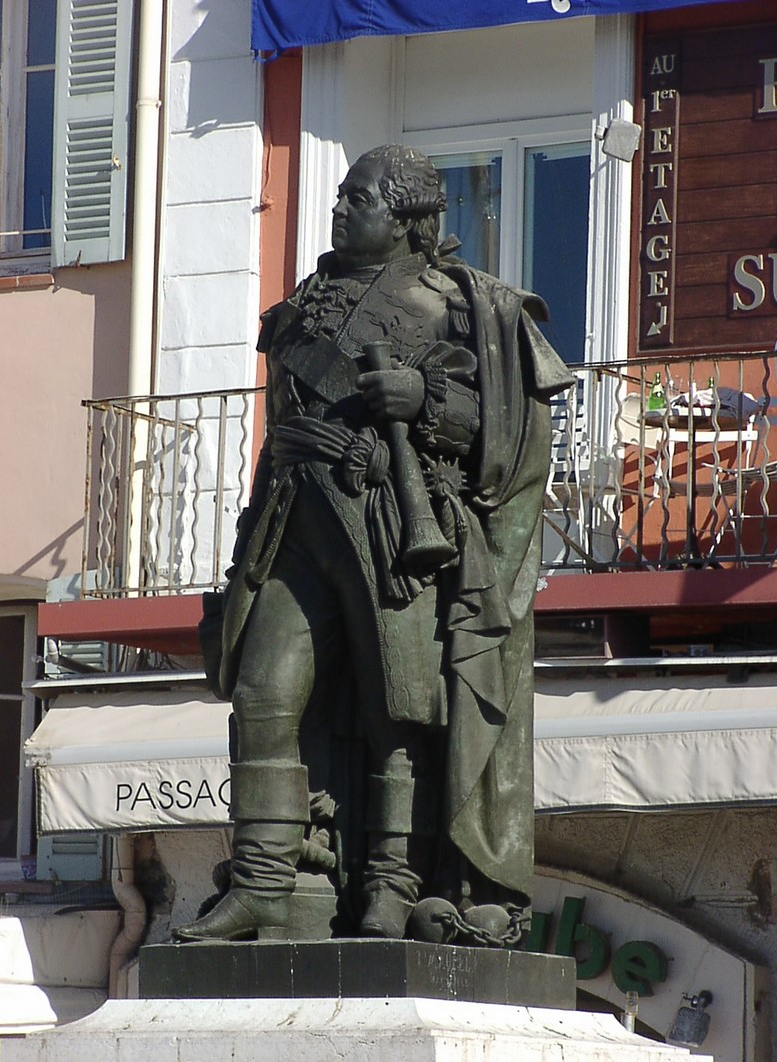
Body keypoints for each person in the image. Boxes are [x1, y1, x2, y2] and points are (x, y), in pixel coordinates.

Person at [175, 145, 573, 943]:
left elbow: (500, 435)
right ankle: (262, 881)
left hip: (392, 525)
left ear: (404, 215)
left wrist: (424, 399)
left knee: (401, 708)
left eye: (357, 198)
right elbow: (279, 431)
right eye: (342, 196)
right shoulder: (306, 302)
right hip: (295, 520)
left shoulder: (461, 305)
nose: (339, 209)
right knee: (264, 693)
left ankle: (392, 883)